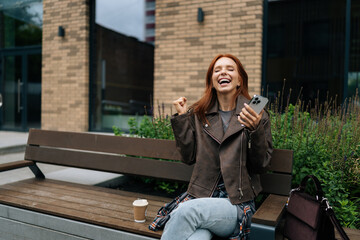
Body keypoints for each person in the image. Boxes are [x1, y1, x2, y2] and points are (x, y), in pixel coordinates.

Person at [158, 54, 273, 240]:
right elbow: (188, 157)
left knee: (186, 211)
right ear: (211, 82)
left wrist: (256, 130)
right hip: (203, 197)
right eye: (217, 70)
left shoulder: (254, 113)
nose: (223, 73)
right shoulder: (200, 113)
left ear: (239, 80)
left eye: (230, 69)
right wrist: (182, 119)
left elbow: (261, 165)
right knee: (198, 237)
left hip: (236, 202)